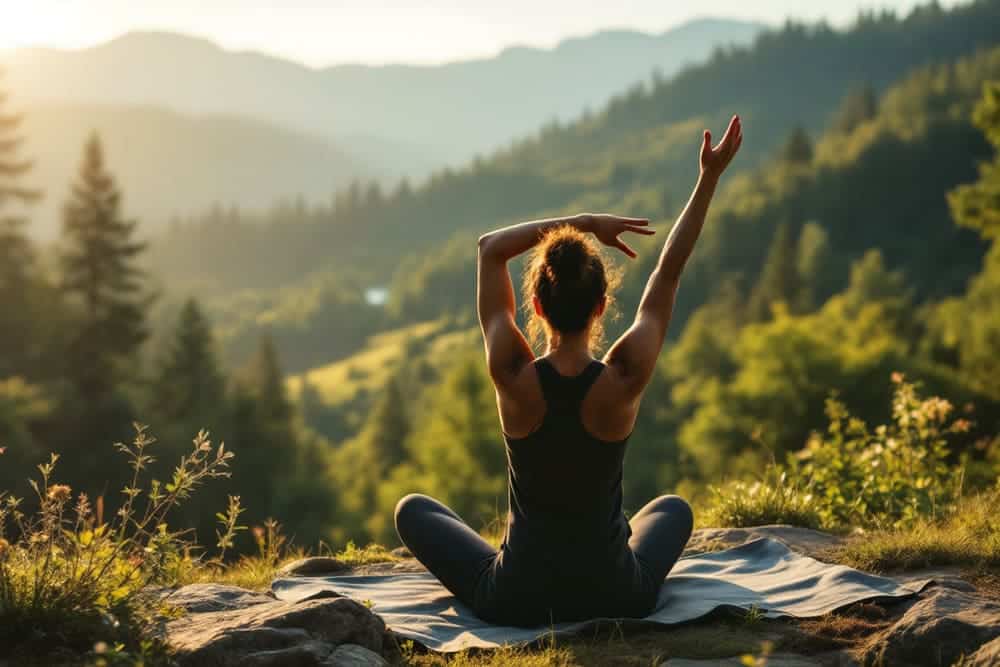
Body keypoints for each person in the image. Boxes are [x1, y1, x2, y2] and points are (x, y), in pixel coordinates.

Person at [395, 116, 744, 627]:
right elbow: (668, 272)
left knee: (411, 509)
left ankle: (538, 552)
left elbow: (489, 248)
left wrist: (581, 222)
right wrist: (708, 179)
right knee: (673, 509)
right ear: (601, 305)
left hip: (517, 596)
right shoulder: (624, 377)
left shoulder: (512, 373)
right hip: (616, 594)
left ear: (535, 304)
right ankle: (602, 544)